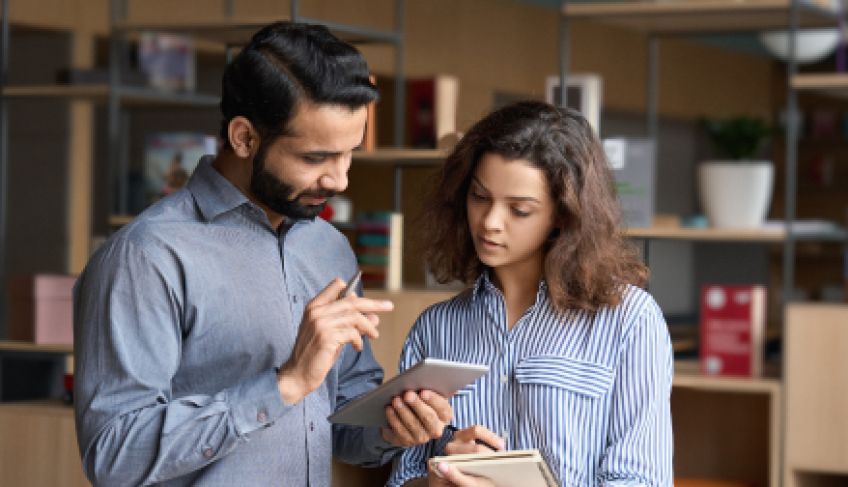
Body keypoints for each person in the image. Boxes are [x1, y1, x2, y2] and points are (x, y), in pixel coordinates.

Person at [73, 21, 452, 486]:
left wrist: (394, 425)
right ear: (244, 138)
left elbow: (338, 425)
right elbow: (113, 456)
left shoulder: (328, 247)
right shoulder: (145, 257)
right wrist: (284, 384)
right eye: (316, 158)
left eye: (349, 153)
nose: (340, 180)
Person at [386, 101, 674, 486]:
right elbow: (402, 477)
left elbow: (641, 481)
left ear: (562, 214)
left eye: (519, 210)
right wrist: (436, 480)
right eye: (479, 196)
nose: (489, 222)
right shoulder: (435, 329)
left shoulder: (630, 320)